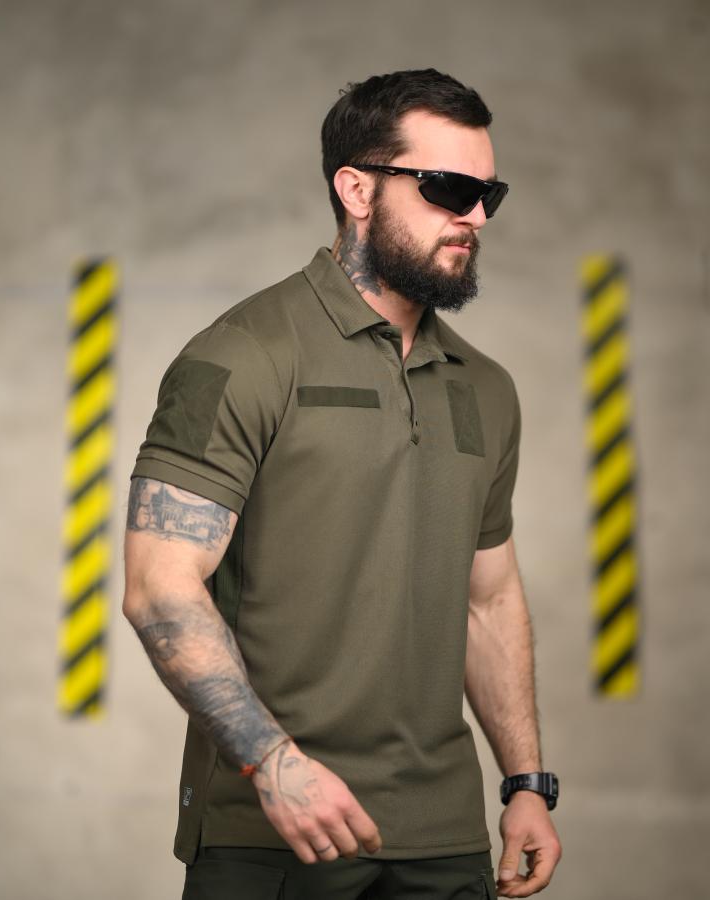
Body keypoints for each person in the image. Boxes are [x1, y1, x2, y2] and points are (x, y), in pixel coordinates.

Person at [123, 68, 562, 900]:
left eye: (488, 195)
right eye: (448, 188)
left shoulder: (486, 387)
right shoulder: (244, 355)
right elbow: (158, 588)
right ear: (357, 189)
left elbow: (489, 600)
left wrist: (526, 784)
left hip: (444, 842)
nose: (474, 216)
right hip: (272, 834)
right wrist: (273, 763)